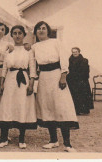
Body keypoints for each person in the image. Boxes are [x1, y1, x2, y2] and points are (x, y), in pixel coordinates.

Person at [31, 21, 79, 152]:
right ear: (35, 32)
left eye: (43, 28)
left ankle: (67, 144)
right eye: (38, 29)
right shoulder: (34, 47)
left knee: (62, 107)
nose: (41, 31)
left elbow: (64, 58)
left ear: (48, 30)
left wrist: (63, 76)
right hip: (43, 78)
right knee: (47, 108)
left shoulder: (56, 42)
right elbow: (33, 65)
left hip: (56, 76)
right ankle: (53, 140)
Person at [0, 25, 37, 149]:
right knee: (7, 107)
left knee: (21, 106)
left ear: (24, 35)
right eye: (14, 33)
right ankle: (3, 138)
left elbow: (32, 69)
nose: (17, 36)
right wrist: (1, 83)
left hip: (23, 80)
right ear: (12, 35)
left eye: (20, 33)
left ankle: (21, 139)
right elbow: (4, 68)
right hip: (10, 80)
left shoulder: (28, 50)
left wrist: (31, 84)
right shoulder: (9, 50)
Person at [66, 47, 94, 115]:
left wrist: (81, 77)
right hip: (72, 81)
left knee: (82, 95)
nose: (74, 53)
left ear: (79, 52)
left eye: (76, 52)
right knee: (74, 95)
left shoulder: (84, 60)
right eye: (73, 52)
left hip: (81, 80)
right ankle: (75, 110)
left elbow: (86, 71)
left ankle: (84, 110)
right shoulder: (69, 60)